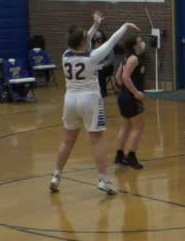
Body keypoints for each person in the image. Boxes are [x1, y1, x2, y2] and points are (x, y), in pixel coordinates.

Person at [50, 18, 139, 195]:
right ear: (84, 42)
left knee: (67, 141)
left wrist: (95, 25)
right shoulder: (92, 56)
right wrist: (125, 26)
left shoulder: (66, 55)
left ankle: (56, 176)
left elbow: (83, 39)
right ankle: (103, 180)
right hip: (89, 99)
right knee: (97, 139)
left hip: (70, 100)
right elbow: (112, 40)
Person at [114, 34, 149, 170]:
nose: (142, 44)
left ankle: (119, 155)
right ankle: (131, 157)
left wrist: (124, 90)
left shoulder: (126, 58)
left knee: (126, 126)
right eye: (140, 42)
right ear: (134, 45)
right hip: (131, 97)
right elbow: (124, 76)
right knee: (138, 127)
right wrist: (135, 92)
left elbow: (118, 77)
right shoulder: (134, 59)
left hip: (123, 96)